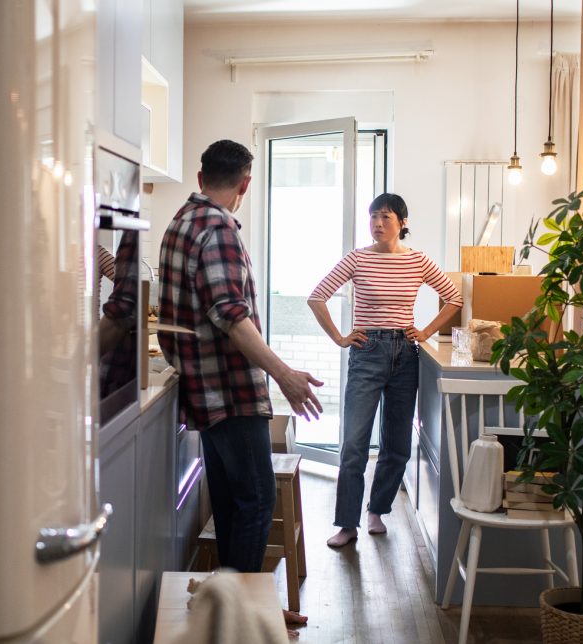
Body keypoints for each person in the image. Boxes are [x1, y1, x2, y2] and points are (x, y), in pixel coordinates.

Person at [158, 139, 320, 632]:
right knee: (255, 501)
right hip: (230, 391)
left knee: (231, 502)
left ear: (202, 174)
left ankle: (234, 609)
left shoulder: (179, 223)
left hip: (203, 393)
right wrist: (285, 375)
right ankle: (245, 620)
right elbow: (231, 316)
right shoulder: (218, 228)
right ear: (245, 183)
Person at [307, 193, 462, 548]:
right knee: (354, 444)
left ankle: (377, 510)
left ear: (403, 223)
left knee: (396, 446)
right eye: (373, 217)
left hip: (406, 356)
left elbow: (454, 298)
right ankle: (347, 524)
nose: (377, 224)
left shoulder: (418, 261)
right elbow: (317, 296)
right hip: (367, 352)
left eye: (386, 217)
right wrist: (339, 338)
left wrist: (424, 332)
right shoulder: (358, 259)